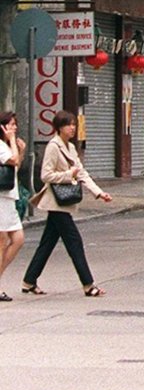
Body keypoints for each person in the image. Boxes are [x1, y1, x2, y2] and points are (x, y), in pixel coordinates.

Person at [21, 110, 112, 297]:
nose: (72, 128)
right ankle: (88, 285)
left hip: (63, 204)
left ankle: (29, 281)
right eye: (69, 124)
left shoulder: (70, 147)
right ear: (59, 127)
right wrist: (67, 175)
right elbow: (45, 175)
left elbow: (82, 173)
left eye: (73, 124)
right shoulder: (53, 146)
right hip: (55, 202)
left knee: (47, 243)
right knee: (74, 241)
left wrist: (99, 193)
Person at [0, 110, 26, 301]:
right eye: (11, 124)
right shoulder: (1, 145)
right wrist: (12, 140)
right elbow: (13, 160)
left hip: (9, 197)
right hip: (1, 198)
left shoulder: (7, 145)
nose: (14, 127)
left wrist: (20, 149)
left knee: (18, 239)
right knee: (1, 241)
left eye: (15, 124)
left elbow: (16, 167)